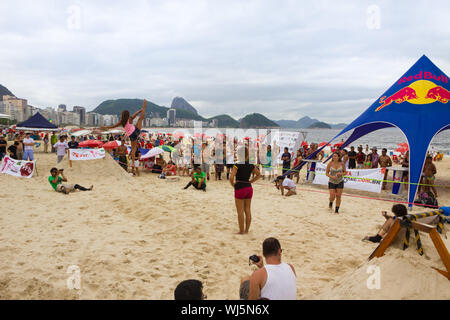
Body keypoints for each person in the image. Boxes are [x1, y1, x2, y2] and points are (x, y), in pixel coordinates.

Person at [100, 100, 147, 170]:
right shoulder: (130, 118)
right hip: (136, 131)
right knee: (140, 119)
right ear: (128, 115)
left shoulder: (121, 122)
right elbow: (135, 114)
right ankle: (144, 105)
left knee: (133, 149)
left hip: (132, 135)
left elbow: (113, 126)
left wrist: (105, 127)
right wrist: (140, 110)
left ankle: (133, 163)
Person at [229, 147, 261, 234]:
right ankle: (247, 230)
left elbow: (231, 177)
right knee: (247, 210)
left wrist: (233, 185)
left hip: (240, 187)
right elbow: (259, 175)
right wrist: (251, 181)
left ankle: (241, 231)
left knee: (240, 211)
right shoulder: (251, 165)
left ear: (239, 154)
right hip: (248, 187)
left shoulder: (237, 165)